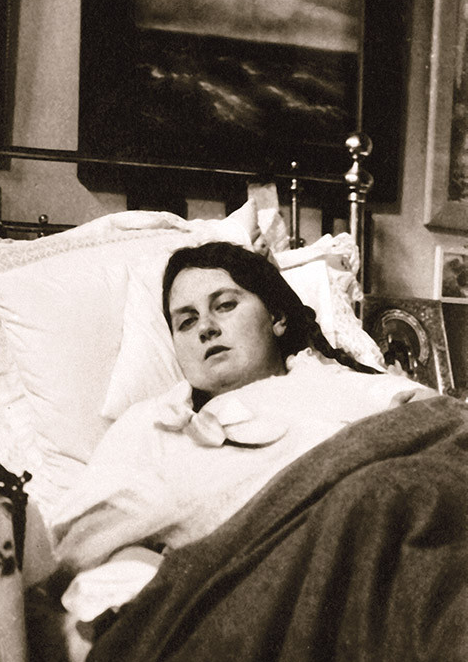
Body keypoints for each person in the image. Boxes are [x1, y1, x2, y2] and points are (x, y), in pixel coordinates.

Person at [46, 241, 436, 637]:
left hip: (379, 557)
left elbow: (439, 426)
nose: (206, 327)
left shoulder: (335, 384)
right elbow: (77, 542)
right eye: (186, 322)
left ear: (276, 317)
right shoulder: (155, 424)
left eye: (225, 305)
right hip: (264, 594)